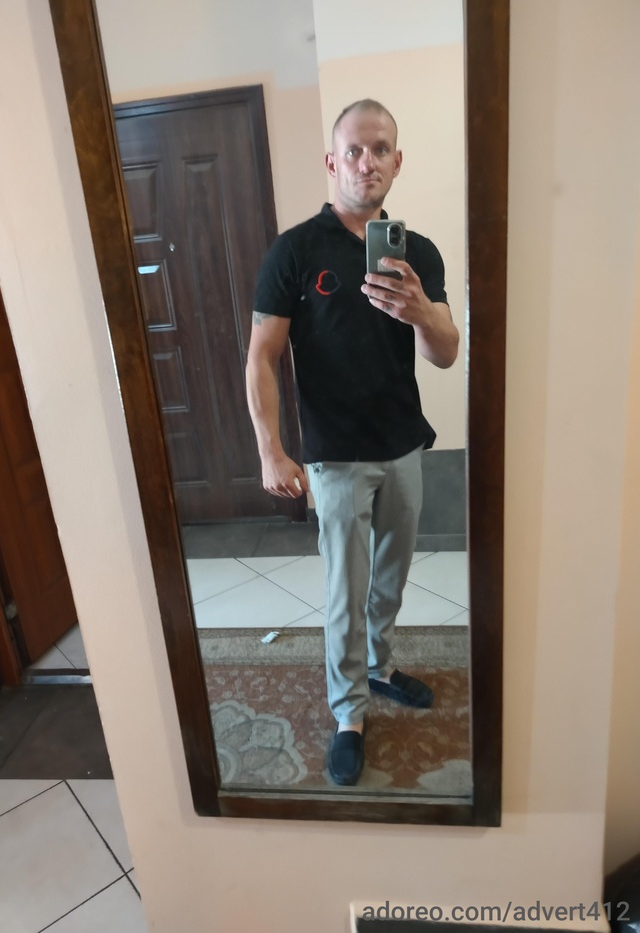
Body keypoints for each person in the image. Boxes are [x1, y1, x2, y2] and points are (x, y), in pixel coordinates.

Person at [245, 99, 459, 786]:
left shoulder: (418, 252)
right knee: (346, 588)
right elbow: (261, 355)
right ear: (333, 162)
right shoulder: (294, 251)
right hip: (334, 453)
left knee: (390, 577)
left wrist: (422, 313)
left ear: (398, 161)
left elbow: (446, 353)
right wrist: (270, 448)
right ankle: (349, 713)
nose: (368, 162)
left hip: (402, 445)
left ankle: (379, 666)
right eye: (356, 150)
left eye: (381, 149)